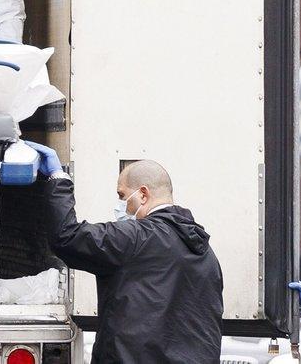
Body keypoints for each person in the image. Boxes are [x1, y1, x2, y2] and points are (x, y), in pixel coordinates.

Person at [26, 142, 223, 363]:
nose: (121, 206)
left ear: (143, 195)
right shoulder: (205, 252)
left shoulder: (137, 237)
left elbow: (67, 237)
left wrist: (57, 177)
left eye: (122, 196)